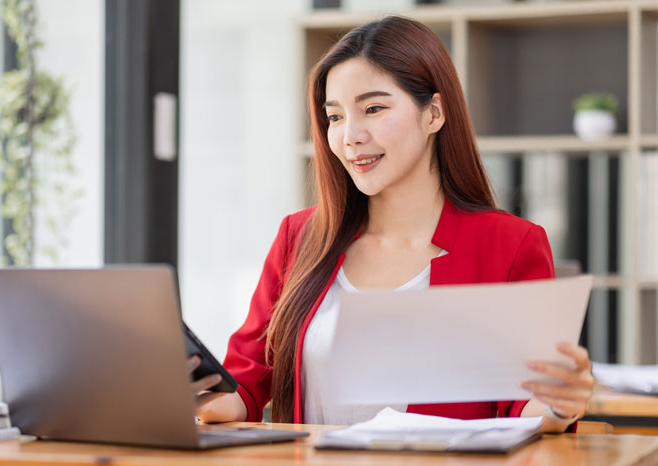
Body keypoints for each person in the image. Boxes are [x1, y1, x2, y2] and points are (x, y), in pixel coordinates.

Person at [191, 15, 594, 432]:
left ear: (434, 113)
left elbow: (524, 404)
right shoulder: (300, 238)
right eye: (336, 117)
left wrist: (558, 405)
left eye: (374, 108)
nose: (350, 136)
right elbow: (246, 384)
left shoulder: (510, 245)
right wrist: (198, 394)